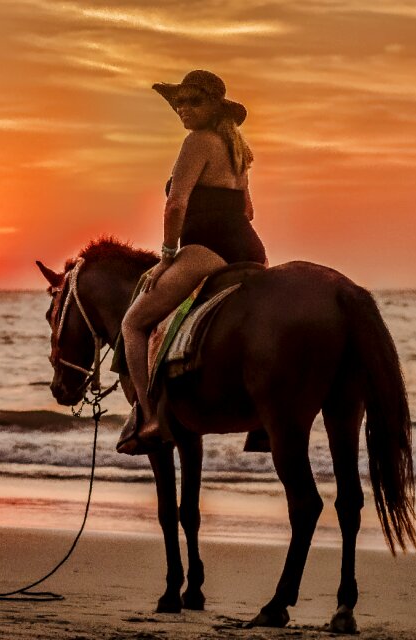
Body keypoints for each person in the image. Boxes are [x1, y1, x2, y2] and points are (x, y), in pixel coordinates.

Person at [117, 70, 267, 455]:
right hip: (251, 249)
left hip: (209, 248)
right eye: (180, 102)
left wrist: (168, 257)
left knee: (133, 322)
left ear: (214, 107)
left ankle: (148, 418)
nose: (184, 109)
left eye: (193, 101)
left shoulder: (197, 142)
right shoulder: (238, 150)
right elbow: (247, 210)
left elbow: (176, 204)